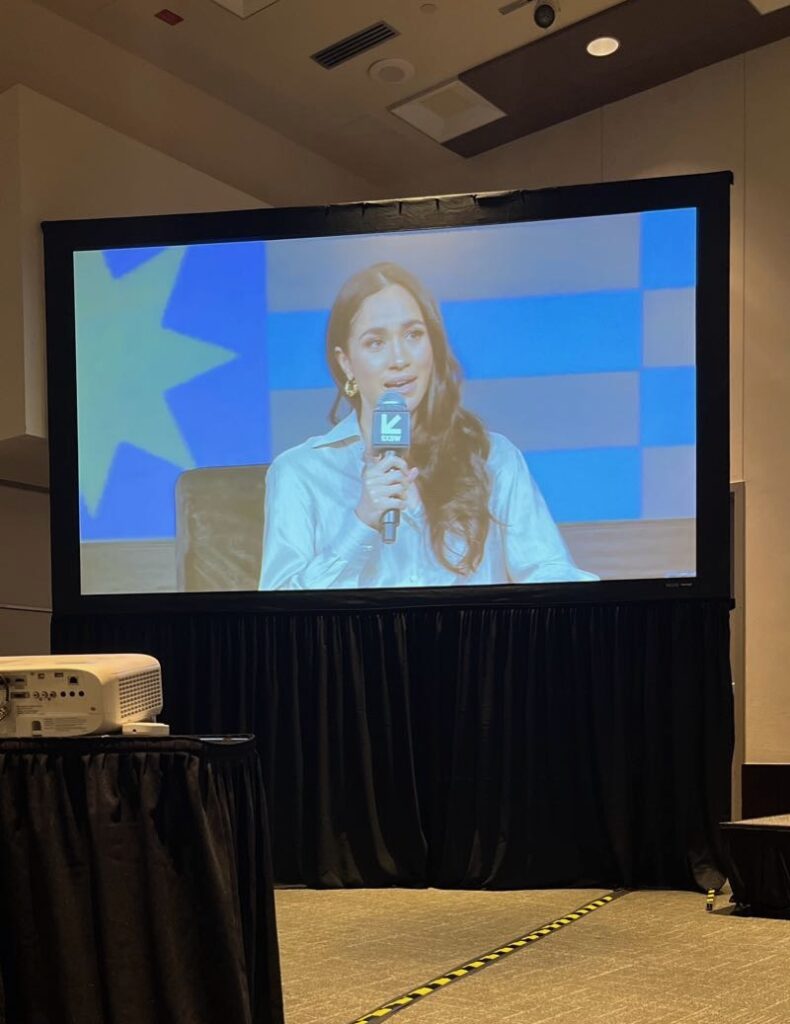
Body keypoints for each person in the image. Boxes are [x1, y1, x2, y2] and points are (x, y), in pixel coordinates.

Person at [259, 262, 597, 590]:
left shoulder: (492, 457)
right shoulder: (299, 473)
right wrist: (361, 522)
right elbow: (277, 613)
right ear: (346, 362)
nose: (400, 359)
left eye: (413, 335)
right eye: (375, 342)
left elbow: (549, 573)